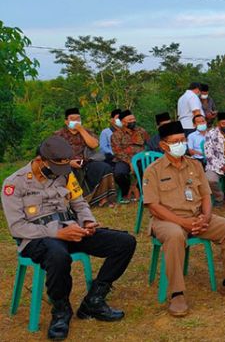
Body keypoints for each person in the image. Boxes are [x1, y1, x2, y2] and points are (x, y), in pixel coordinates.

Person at [2, 136, 136, 339]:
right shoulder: (14, 183)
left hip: (70, 231)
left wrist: (88, 222)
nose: (62, 172)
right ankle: (61, 310)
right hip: (36, 239)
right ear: (41, 160)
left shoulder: (64, 174)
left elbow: (79, 204)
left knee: (124, 243)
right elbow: (18, 227)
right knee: (58, 255)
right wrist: (56, 233)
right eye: (57, 167)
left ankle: (94, 300)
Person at [143, 121, 225, 317]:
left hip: (197, 217)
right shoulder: (153, 170)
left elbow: (206, 195)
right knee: (175, 236)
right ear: (164, 145)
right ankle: (177, 293)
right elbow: (153, 206)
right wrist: (183, 223)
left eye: (183, 140)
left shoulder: (195, 165)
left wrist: (206, 217)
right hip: (167, 221)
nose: (181, 144)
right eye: (176, 141)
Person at [55, 108, 117, 206]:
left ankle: (102, 199)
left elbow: (94, 145)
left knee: (104, 167)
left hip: (86, 161)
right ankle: (72, 200)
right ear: (66, 121)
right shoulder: (58, 135)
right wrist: (69, 162)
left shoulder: (87, 132)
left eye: (78, 119)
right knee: (65, 172)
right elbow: (54, 154)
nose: (76, 121)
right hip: (67, 163)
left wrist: (81, 130)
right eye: (72, 119)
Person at [111, 110, 149, 200]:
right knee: (119, 173)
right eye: (130, 120)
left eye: (133, 119)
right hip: (124, 160)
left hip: (140, 158)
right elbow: (117, 151)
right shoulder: (116, 135)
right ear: (123, 122)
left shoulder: (142, 131)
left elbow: (149, 144)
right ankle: (126, 191)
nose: (133, 121)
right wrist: (130, 162)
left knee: (145, 168)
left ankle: (141, 191)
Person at [204, 112, 225, 206]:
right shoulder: (210, 134)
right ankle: (219, 197)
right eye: (224, 124)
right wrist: (222, 166)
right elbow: (209, 155)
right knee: (210, 179)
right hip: (215, 165)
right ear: (218, 124)